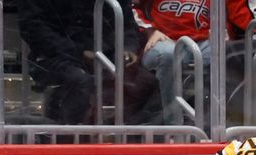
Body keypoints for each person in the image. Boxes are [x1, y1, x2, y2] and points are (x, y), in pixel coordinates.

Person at [19, 0, 159, 125]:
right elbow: (32, 26)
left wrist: (128, 48)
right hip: (55, 56)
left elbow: (128, 24)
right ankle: (66, 140)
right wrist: (78, 52)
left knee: (148, 83)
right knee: (80, 82)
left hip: (107, 54)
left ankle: (131, 141)